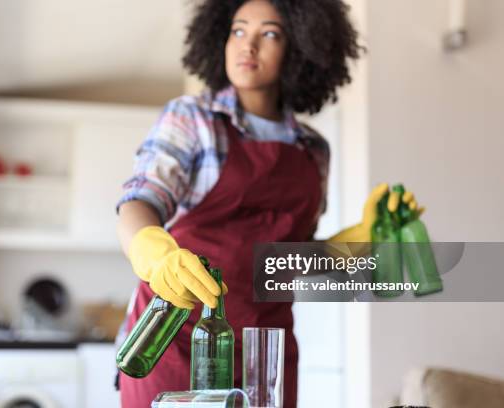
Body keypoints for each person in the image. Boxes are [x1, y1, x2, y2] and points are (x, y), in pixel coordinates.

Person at [115, 0, 421, 406]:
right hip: (177, 341)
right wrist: (153, 254)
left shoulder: (313, 150)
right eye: (238, 31)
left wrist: (359, 241)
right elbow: (140, 199)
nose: (248, 46)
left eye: (269, 34)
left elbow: (287, 259)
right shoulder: (193, 119)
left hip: (267, 351)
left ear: (300, 48)